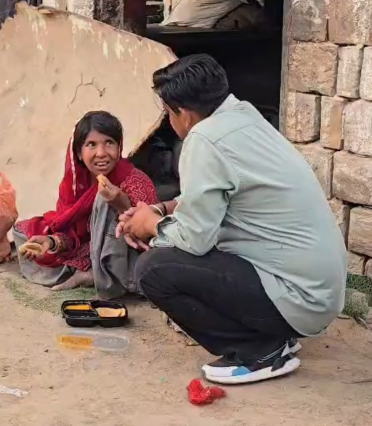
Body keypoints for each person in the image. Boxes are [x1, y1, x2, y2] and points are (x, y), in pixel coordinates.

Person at [116, 54, 347, 385]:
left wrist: (149, 225)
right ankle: (273, 335)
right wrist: (161, 209)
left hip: (298, 298)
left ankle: (259, 351)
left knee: (154, 269)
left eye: (168, 113)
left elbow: (193, 240)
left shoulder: (203, 138)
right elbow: (214, 198)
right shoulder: (244, 117)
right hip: (318, 294)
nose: (169, 121)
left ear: (184, 113)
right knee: (197, 249)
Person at [13, 111, 157, 297]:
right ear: (79, 153)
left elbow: (148, 239)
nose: (101, 153)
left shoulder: (136, 181)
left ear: (119, 147)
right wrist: (52, 242)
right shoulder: (75, 183)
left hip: (123, 258)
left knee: (103, 200)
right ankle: (88, 271)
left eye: (109, 143)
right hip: (90, 248)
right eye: (91, 145)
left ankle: (98, 275)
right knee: (22, 230)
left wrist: (122, 205)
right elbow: (72, 231)